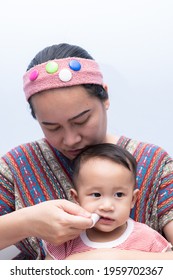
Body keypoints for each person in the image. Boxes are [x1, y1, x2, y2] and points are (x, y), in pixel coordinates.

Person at [0, 43, 173, 260]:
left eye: (81, 120)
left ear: (105, 98)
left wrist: (108, 260)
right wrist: (26, 223)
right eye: (52, 127)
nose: (71, 139)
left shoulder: (155, 164)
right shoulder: (17, 167)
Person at [44, 143, 172, 260]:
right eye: (96, 194)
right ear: (76, 199)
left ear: (132, 199)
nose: (107, 206)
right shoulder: (67, 239)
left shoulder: (147, 238)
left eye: (119, 194)